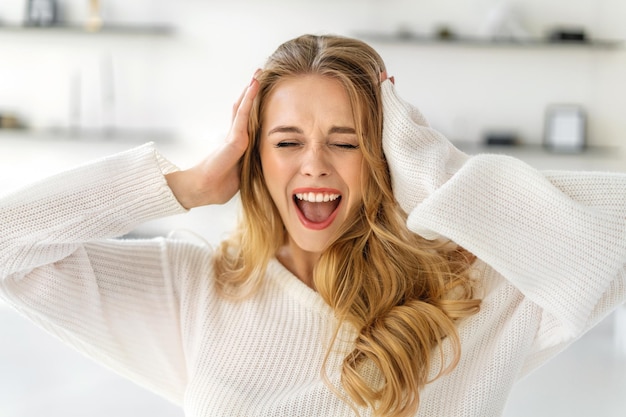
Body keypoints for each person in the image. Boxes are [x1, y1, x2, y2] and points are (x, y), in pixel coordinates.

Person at [0, 33, 625, 417]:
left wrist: (431, 170)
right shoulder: (194, 288)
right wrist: (187, 186)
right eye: (287, 141)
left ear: (383, 157)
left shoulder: (470, 292)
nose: (315, 165)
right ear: (252, 157)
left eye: (346, 141)